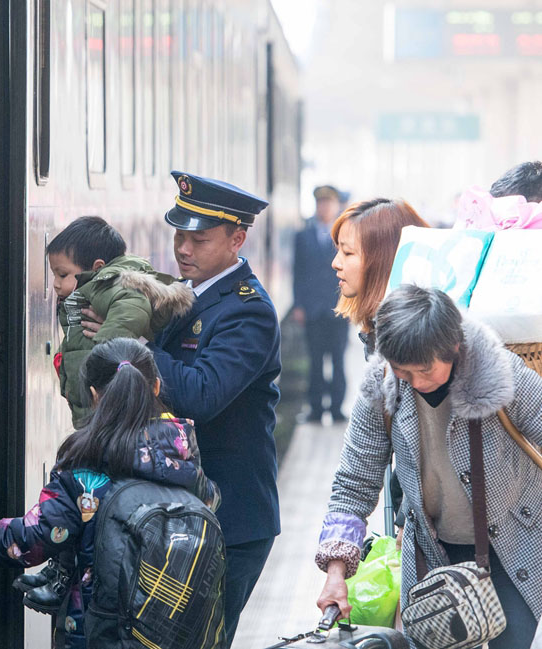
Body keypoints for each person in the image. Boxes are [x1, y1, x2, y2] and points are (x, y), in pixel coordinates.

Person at [83, 171, 282, 642]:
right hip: (185, 509)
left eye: (199, 238)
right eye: (179, 235)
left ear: (238, 238)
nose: (183, 249)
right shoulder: (193, 295)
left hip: (227, 518)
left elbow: (201, 395)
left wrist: (134, 346)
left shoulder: (247, 310)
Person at [315, 286, 542, 649]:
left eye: (425, 370)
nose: (417, 384)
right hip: (434, 553)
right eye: (403, 372)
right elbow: (354, 482)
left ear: (453, 347)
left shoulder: (501, 372)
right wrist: (336, 571)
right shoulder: (380, 387)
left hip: (515, 544)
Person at [0, 338, 220, 649]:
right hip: (178, 633)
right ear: (157, 387)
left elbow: (36, 537)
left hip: (99, 632)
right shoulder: (182, 449)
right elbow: (211, 500)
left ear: (93, 396)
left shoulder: (84, 459)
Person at [47, 216, 194, 426]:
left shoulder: (109, 283)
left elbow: (133, 309)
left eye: (62, 275)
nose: (56, 284)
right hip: (91, 402)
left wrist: (106, 347)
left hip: (106, 401)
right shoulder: (90, 289)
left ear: (97, 267)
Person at [330, 198, 429, 358]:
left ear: (384, 260)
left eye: (347, 252)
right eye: (338, 250)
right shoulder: (383, 327)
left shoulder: (412, 344)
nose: (335, 263)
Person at [293, 185, 351, 423]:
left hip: (339, 307)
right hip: (313, 309)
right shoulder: (303, 236)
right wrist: (298, 305)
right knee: (315, 361)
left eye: (329, 203)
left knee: (338, 359)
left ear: (336, 206)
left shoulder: (345, 236)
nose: (324, 208)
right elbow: (298, 272)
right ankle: (316, 408)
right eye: (321, 203)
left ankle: (337, 408)